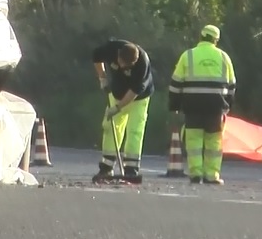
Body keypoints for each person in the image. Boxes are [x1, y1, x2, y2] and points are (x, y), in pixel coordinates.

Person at [167, 24, 236, 185]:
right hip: (216, 107)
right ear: (216, 40)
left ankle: (195, 174)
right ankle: (212, 176)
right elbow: (232, 86)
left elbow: (175, 84)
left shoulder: (188, 55)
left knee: (194, 142)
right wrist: (228, 107)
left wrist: (175, 106)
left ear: (201, 37)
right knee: (214, 143)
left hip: (193, 105)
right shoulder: (224, 57)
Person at [90, 38, 155, 184]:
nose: (124, 68)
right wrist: (102, 77)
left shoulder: (142, 63)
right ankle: (106, 166)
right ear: (118, 55)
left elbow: (135, 90)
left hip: (138, 99)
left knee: (135, 130)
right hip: (117, 94)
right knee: (111, 128)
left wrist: (118, 108)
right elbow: (96, 56)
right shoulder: (111, 48)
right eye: (121, 64)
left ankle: (131, 169)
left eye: (128, 67)